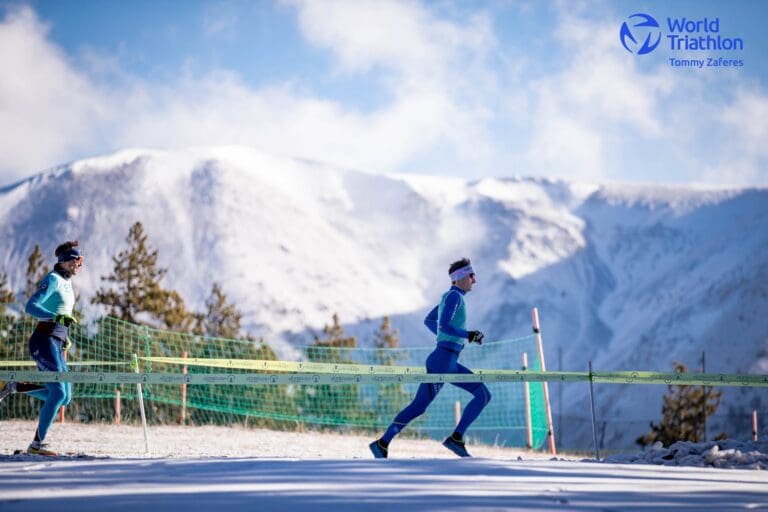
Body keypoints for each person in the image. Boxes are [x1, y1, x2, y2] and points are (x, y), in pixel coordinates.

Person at [369, 258, 490, 458]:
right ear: (460, 277)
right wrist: (467, 335)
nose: (474, 280)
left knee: (421, 406)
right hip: (444, 362)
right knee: (481, 395)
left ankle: (383, 443)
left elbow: (429, 321)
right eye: (471, 275)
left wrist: (447, 339)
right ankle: (455, 439)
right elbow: (443, 325)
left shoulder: (449, 297)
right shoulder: (454, 298)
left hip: (445, 360)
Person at [0, 241, 83, 456]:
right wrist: (55, 318)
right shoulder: (53, 279)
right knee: (57, 393)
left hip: (56, 341)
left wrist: (65, 336)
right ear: (64, 261)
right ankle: (37, 445)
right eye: (76, 260)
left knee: (65, 397)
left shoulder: (67, 282)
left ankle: (15, 387)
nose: (79, 264)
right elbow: (31, 306)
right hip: (44, 341)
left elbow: (62, 311)